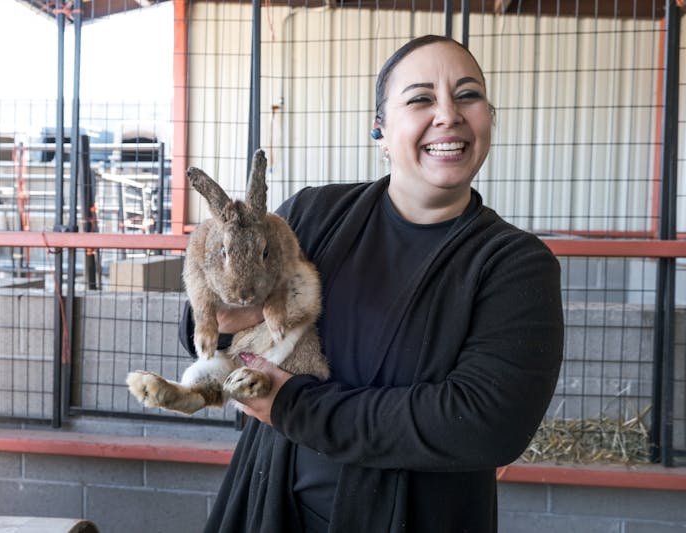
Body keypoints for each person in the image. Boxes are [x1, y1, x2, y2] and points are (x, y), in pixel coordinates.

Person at [179, 34, 564, 533]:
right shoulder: (313, 215)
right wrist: (222, 313)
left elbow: (483, 423)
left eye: (467, 95)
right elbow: (202, 324)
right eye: (421, 98)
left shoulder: (514, 263)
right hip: (268, 500)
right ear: (379, 131)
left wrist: (291, 405)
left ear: (489, 117)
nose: (448, 114)